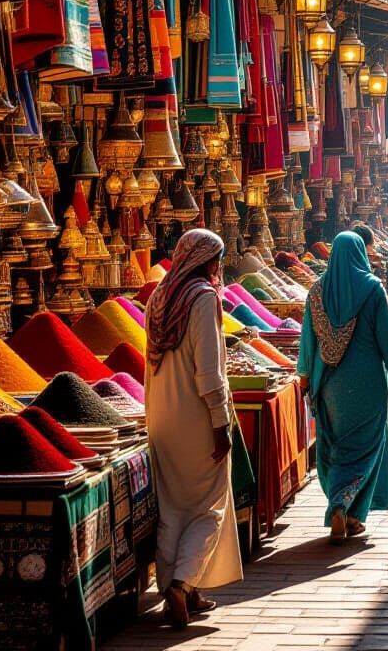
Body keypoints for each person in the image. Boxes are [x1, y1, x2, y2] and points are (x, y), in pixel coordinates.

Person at [145, 229, 242, 629]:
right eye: (217, 259)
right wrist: (221, 423)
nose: (219, 267)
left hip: (162, 415)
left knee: (172, 506)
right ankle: (182, 584)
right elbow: (209, 372)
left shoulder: (159, 296)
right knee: (208, 505)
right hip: (196, 417)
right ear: (207, 260)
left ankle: (182, 589)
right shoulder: (202, 298)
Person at [297, 232, 388, 544]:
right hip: (369, 382)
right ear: (359, 253)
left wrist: (304, 377)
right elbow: (386, 336)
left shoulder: (316, 291)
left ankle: (351, 515)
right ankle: (343, 505)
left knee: (338, 444)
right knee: (368, 444)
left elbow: (307, 341)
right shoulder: (372, 288)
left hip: (329, 384)